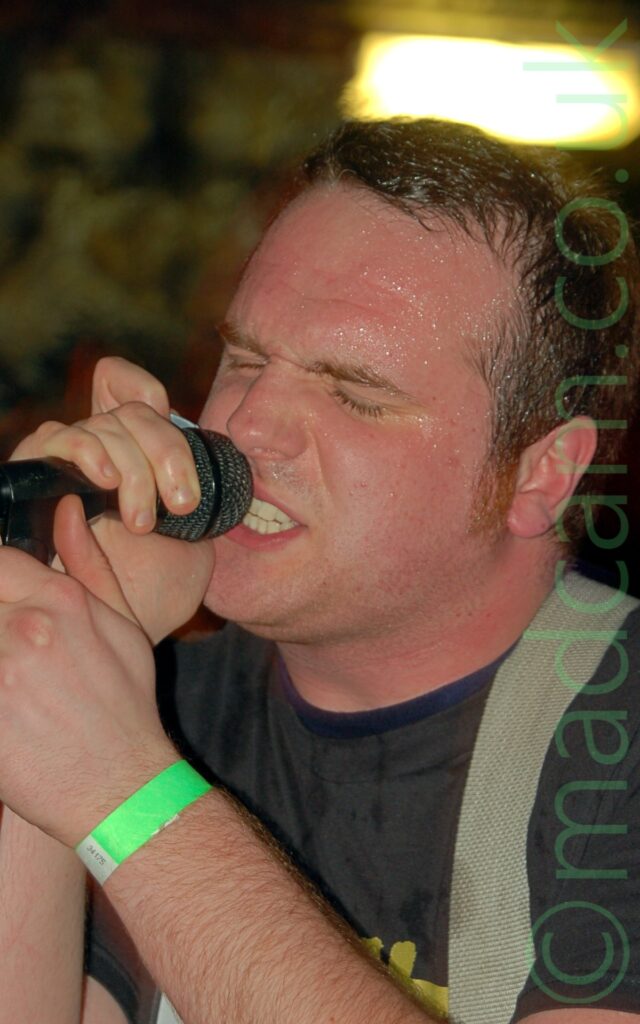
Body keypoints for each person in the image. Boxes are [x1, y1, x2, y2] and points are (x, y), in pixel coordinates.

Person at [0, 118, 639, 1024]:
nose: (248, 427)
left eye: (352, 394)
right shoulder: (166, 699)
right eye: (246, 359)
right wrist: (60, 614)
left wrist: (125, 794)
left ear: (541, 475)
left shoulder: (616, 744)